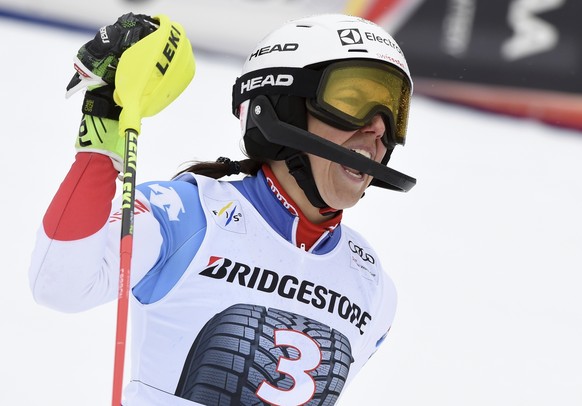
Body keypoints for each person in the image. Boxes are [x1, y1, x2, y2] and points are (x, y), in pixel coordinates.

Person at [29, 12, 415, 406]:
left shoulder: (374, 287)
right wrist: (104, 127)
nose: (378, 129)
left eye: (392, 112)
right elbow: (58, 284)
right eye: (352, 100)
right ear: (285, 105)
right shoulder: (185, 214)